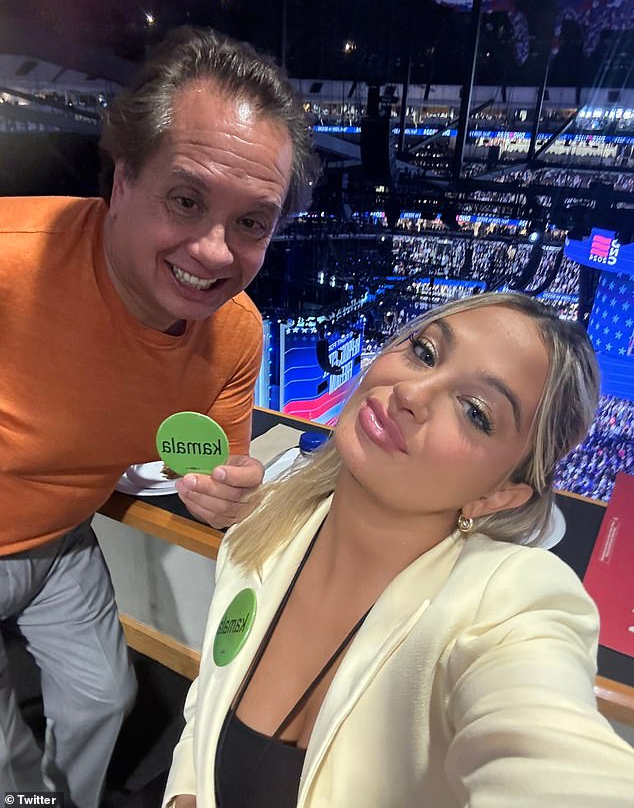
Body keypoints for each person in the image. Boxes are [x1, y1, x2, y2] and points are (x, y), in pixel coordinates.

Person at [0, 26, 317, 806]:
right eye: (187, 199)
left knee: (107, 696)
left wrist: (228, 489)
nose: (215, 251)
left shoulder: (238, 331)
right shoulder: (11, 261)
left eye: (252, 222)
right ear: (123, 178)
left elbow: (217, 461)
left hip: (63, 538)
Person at [163, 291, 634, 808]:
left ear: (497, 494)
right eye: (425, 353)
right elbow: (209, 696)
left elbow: (553, 762)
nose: (412, 390)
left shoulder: (507, 606)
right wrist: (186, 790)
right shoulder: (263, 528)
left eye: (475, 411)